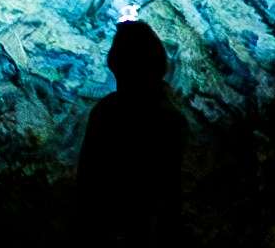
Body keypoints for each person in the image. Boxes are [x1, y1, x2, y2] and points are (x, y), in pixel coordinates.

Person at [76, 17, 192, 231]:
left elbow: (87, 181)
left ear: (117, 64)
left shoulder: (108, 112)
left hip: (110, 230)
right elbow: (172, 188)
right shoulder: (170, 116)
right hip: (146, 233)